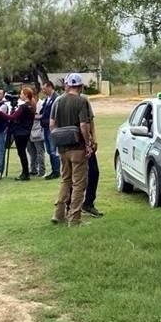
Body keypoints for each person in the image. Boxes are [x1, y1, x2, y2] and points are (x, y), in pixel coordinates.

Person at [50, 73, 94, 226]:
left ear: (67, 85)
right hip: (77, 148)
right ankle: (75, 218)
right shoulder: (82, 101)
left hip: (63, 148)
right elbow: (84, 125)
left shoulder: (58, 101)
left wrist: (58, 139)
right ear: (80, 87)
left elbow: (52, 124)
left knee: (65, 180)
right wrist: (88, 143)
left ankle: (58, 213)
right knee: (79, 183)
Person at [5, 86, 36, 181]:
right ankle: (25, 172)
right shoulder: (30, 106)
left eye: (22, 93)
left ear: (26, 95)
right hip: (25, 132)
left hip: (20, 132)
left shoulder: (24, 107)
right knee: (22, 152)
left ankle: (25, 172)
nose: (20, 95)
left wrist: (0, 113)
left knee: (21, 152)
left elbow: (13, 117)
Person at [39, 81, 61, 179]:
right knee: (49, 150)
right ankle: (53, 169)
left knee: (53, 150)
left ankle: (56, 171)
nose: (43, 91)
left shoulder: (56, 98)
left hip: (52, 128)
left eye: (44, 88)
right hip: (45, 127)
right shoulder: (47, 99)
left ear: (50, 87)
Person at [28, 94, 46, 178]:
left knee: (40, 152)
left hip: (37, 130)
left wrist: (33, 116)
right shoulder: (26, 105)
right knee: (31, 152)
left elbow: (42, 116)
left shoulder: (41, 104)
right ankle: (33, 169)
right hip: (29, 131)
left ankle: (41, 170)